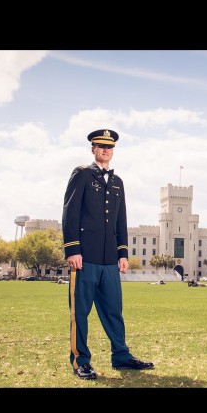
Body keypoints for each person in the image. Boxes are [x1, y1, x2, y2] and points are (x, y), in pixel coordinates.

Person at [62, 128, 154, 380]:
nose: (105, 150)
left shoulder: (117, 182)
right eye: (101, 146)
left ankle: (121, 356)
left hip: (109, 260)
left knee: (114, 310)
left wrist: (122, 252)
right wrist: (73, 249)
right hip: (84, 258)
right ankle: (80, 361)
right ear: (93, 148)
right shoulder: (81, 174)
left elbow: (119, 220)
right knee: (79, 312)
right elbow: (70, 213)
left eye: (109, 147)